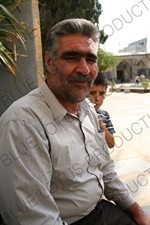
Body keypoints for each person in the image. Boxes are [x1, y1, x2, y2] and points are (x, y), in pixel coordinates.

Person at [0, 18, 149, 225]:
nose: (85, 69)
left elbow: (105, 169)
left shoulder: (86, 108)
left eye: (91, 59)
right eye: (72, 57)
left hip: (102, 210)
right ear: (49, 61)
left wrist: (138, 212)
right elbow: (34, 218)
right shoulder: (23, 122)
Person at [88, 72, 115, 148]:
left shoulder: (104, 114)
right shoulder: (77, 115)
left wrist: (100, 125)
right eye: (92, 93)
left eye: (101, 93)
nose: (97, 98)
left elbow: (111, 144)